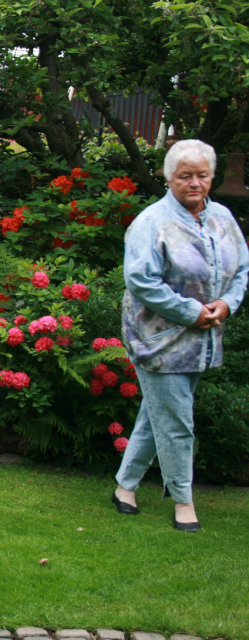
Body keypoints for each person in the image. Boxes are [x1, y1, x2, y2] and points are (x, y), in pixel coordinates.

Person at [113, 139, 249, 532]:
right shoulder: (151, 222)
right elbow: (141, 281)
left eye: (202, 175)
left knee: (157, 414)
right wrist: (192, 312)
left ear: (211, 177)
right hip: (158, 339)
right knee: (176, 422)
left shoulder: (223, 217)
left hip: (203, 338)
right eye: (184, 176)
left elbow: (241, 269)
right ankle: (183, 501)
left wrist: (226, 304)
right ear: (169, 178)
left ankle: (124, 487)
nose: (194, 183)